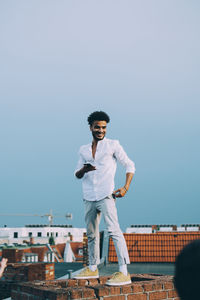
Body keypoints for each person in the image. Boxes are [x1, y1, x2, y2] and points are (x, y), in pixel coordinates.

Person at [74, 111, 135, 286]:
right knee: (92, 234)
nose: (101, 130)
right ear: (90, 128)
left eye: (104, 127)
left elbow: (130, 165)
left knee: (114, 231)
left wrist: (125, 187)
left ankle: (124, 272)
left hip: (106, 194)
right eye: (97, 127)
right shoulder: (83, 150)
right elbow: (76, 174)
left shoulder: (112, 145)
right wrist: (84, 170)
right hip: (88, 196)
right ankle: (93, 268)